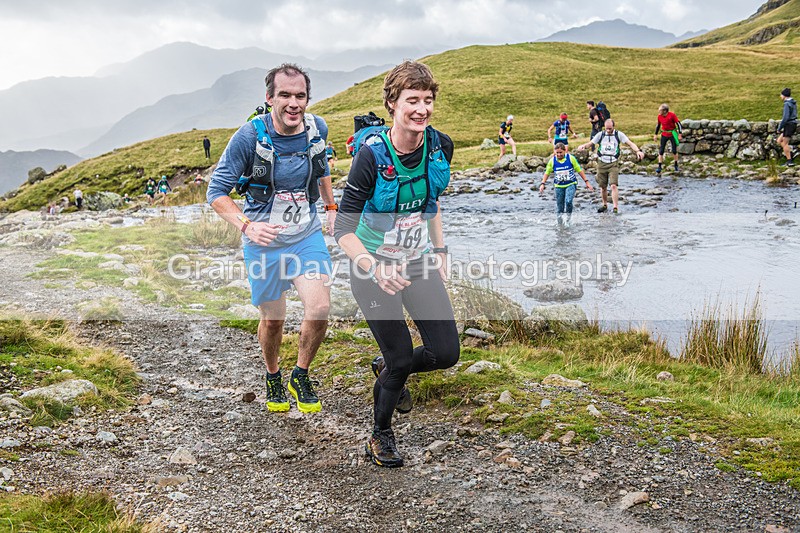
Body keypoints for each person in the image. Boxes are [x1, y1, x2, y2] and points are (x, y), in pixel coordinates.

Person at [335, 61, 460, 468]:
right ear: (392, 103)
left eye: (427, 100)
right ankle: (380, 434)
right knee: (403, 357)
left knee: (446, 353)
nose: (421, 109)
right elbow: (342, 229)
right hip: (371, 270)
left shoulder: (440, 145)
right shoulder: (370, 158)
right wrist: (374, 266)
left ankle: (384, 366)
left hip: (416, 262)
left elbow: (431, 201)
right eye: (412, 100)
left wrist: (439, 251)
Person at [207, 63, 337, 414]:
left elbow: (322, 167)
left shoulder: (317, 128)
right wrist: (247, 226)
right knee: (274, 319)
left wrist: (330, 205)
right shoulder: (248, 137)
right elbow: (216, 192)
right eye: (285, 95)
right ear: (270, 98)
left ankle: (301, 373)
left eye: (300, 96)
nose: (293, 103)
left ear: (308, 99)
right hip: (263, 241)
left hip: (305, 235)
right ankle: (273, 374)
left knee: (320, 307)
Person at [577, 119, 644, 214]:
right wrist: (583, 146)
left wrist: (638, 151)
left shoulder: (618, 134)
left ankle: (615, 207)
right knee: (603, 187)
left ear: (613, 127)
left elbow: (630, 143)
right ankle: (605, 205)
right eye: (607, 128)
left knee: (613, 185)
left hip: (613, 163)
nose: (608, 130)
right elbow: (590, 143)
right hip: (601, 163)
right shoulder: (600, 134)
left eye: (610, 128)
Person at [539, 142, 594, 226]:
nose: (559, 154)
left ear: (565, 151)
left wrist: (587, 182)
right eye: (557, 153)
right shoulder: (552, 161)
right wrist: (543, 183)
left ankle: (568, 220)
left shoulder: (571, 158)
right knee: (560, 206)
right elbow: (547, 172)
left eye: (560, 152)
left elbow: (579, 170)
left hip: (571, 184)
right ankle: (560, 224)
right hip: (558, 186)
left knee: (568, 201)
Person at [654, 104, 682, 174]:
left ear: (664, 111)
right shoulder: (659, 116)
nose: (659, 111)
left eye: (660, 110)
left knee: (674, 150)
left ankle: (676, 165)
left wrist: (680, 134)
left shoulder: (672, 115)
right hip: (664, 134)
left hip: (672, 134)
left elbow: (678, 124)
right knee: (661, 150)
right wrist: (655, 134)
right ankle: (659, 166)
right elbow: (658, 125)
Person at [778, 87, 797, 166]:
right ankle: (789, 153)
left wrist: (779, 127)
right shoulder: (793, 103)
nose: (780, 96)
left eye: (781, 95)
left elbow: (785, 117)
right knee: (779, 140)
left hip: (789, 125)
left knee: (785, 143)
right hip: (792, 124)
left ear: (784, 95)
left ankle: (789, 161)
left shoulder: (786, 104)